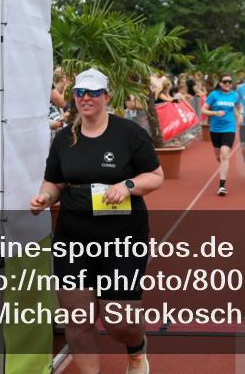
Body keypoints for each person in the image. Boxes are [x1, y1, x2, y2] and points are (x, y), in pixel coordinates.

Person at [29, 68, 163, 374]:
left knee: (119, 320)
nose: (86, 98)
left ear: (107, 96)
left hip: (123, 238)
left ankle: (136, 348)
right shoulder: (65, 138)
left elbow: (156, 176)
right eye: (80, 92)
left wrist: (127, 186)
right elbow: (54, 182)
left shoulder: (129, 134)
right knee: (77, 320)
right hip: (73, 237)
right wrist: (45, 198)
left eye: (93, 92)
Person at [202, 74, 239, 196]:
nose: (227, 83)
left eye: (229, 81)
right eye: (225, 81)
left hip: (229, 128)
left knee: (224, 154)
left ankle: (222, 185)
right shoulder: (214, 95)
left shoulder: (235, 95)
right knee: (219, 156)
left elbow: (238, 108)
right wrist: (215, 112)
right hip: (215, 129)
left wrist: (241, 115)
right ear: (221, 83)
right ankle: (223, 164)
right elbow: (203, 110)